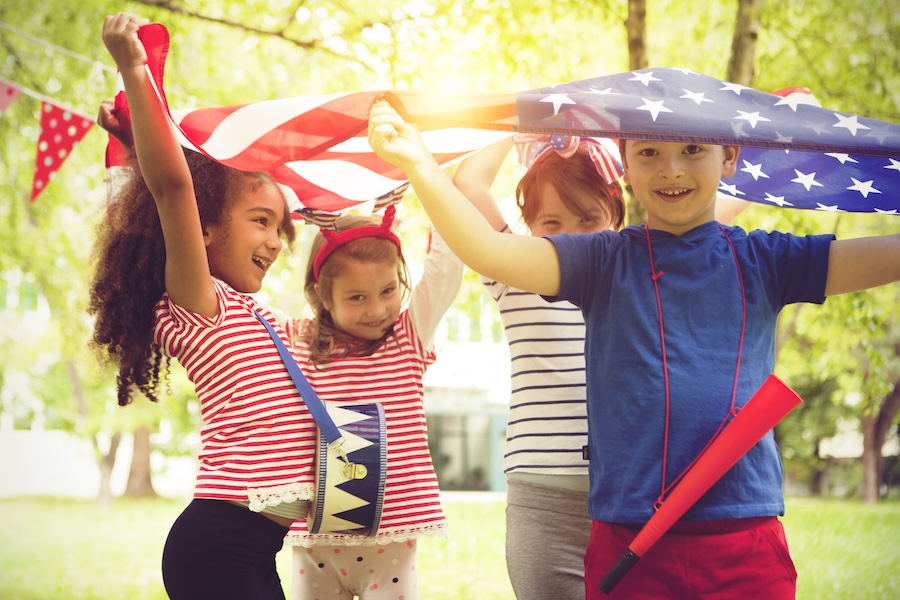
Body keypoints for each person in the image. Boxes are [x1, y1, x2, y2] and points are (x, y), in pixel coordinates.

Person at [368, 99, 900, 599]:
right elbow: (487, 247)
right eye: (649, 152)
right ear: (626, 163)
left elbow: (880, 256)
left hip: (745, 535)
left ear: (730, 156)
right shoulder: (601, 261)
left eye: (693, 149)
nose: (671, 169)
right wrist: (418, 163)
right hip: (629, 541)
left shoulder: (768, 259)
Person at [453, 135, 747, 600]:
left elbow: (718, 202)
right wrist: (522, 126)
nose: (570, 233)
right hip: (542, 495)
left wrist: (767, 128)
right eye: (551, 222)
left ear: (616, 217)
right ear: (527, 226)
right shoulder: (513, 273)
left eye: (588, 220)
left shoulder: (642, 269)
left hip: (634, 496)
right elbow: (468, 182)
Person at [90, 13, 315, 599]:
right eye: (260, 221)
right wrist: (136, 71)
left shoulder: (255, 314)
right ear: (206, 229)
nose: (274, 240)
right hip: (219, 544)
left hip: (256, 547)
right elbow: (173, 188)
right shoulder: (201, 304)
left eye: (280, 228)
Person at [279, 204, 463, 599]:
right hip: (317, 542)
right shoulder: (296, 341)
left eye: (388, 291)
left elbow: (447, 265)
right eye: (357, 297)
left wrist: (434, 180)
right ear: (322, 296)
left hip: (390, 539)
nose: (377, 310)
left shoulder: (408, 335)